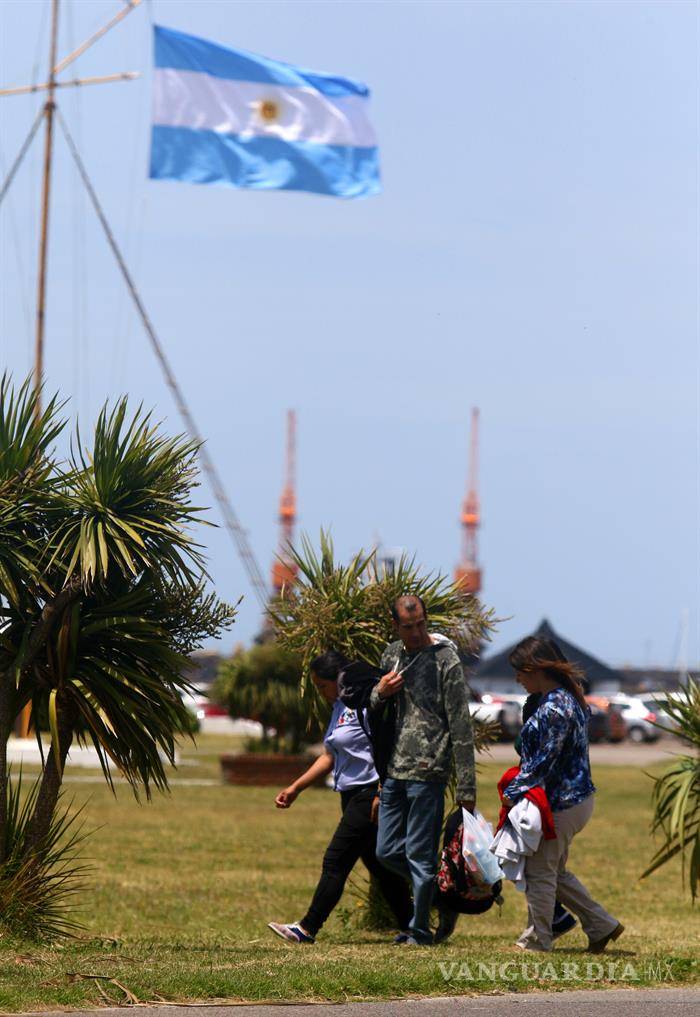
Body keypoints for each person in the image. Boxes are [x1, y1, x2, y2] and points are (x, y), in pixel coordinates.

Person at [267, 650, 412, 944]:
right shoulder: (338, 708)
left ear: (339, 679)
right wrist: (295, 788)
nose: (320, 692)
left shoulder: (364, 705)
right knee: (380, 866)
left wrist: (383, 792)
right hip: (349, 794)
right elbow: (329, 756)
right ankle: (414, 927)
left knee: (336, 861)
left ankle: (307, 928)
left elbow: (387, 746)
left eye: (322, 685)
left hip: (369, 792)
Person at [502, 636, 624, 953]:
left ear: (534, 669)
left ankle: (536, 941)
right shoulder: (564, 698)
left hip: (561, 803)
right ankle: (601, 925)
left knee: (540, 872)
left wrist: (512, 792)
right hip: (576, 799)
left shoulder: (555, 708)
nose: (517, 679)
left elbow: (544, 761)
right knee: (555, 872)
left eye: (520, 672)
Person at [370, 595, 476, 946]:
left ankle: (419, 931)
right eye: (407, 627)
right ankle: (443, 896)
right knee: (386, 851)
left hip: (429, 770)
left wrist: (466, 787)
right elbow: (374, 706)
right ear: (395, 626)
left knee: (419, 854)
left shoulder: (445, 660)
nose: (415, 633)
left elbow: (461, 723)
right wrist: (380, 693)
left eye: (420, 625)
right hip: (394, 769)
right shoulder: (392, 655)